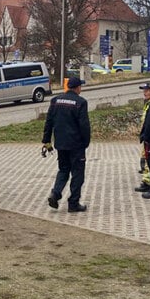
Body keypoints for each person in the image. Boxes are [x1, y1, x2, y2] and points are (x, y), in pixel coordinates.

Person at [41, 76, 91, 213]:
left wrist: (46, 140)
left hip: (61, 144)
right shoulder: (81, 102)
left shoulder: (55, 100)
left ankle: (55, 194)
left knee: (63, 170)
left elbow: (49, 122)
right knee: (77, 173)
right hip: (76, 145)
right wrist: (86, 142)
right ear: (78, 88)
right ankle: (73, 203)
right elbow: (84, 125)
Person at [134, 82, 150, 193]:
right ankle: (146, 179)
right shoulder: (147, 102)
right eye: (144, 90)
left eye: (147, 90)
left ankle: (148, 182)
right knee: (145, 157)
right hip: (146, 134)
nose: (145, 93)